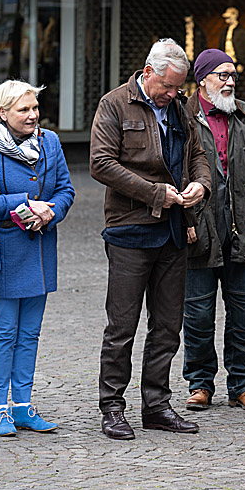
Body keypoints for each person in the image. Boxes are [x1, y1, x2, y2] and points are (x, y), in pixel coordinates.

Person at [89, 39, 212, 440]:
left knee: (167, 326)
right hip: (129, 229)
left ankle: (156, 405)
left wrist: (201, 185)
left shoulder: (178, 108)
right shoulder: (114, 104)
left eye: (179, 87)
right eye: (168, 86)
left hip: (173, 231)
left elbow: (197, 154)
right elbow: (100, 163)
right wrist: (155, 193)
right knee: (121, 327)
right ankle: (112, 407)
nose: (174, 94)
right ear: (147, 73)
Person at [0, 80, 76, 436]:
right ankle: (0, 409)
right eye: (24, 110)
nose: (33, 115)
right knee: (4, 332)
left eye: (34, 108)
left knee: (30, 333)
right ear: (3, 113)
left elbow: (66, 190)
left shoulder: (51, 142)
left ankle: (23, 407)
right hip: (4, 249)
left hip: (41, 250)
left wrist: (51, 212)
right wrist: (23, 204)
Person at [182, 50, 245, 412]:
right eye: (222, 75)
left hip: (242, 232)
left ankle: (242, 384)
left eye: (233, 75)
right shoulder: (182, 117)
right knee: (199, 314)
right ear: (202, 79)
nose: (230, 81)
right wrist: (184, 221)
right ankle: (200, 383)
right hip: (198, 233)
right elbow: (171, 172)